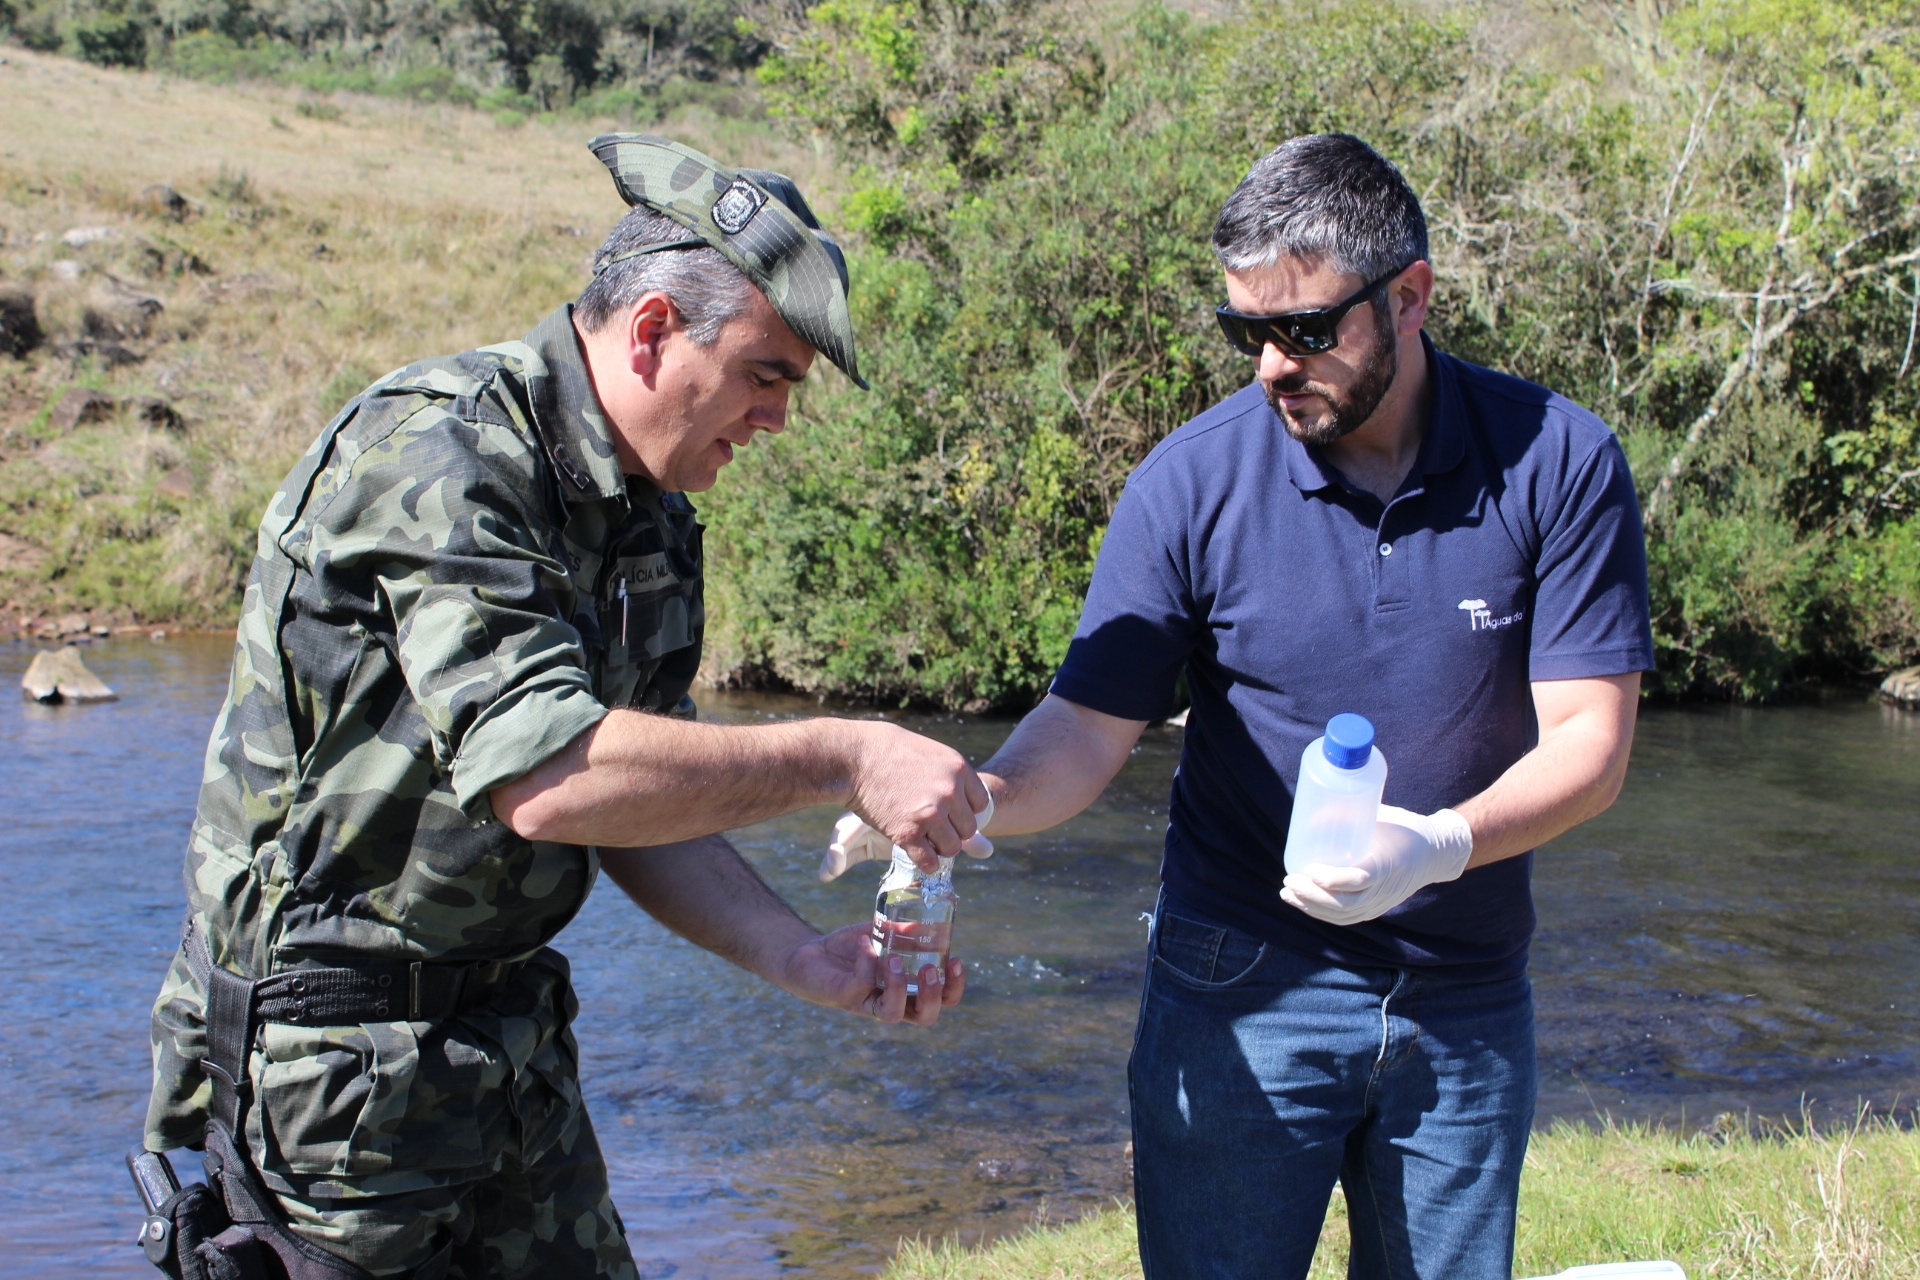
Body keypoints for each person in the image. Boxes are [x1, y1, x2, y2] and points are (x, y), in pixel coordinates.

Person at [141, 134, 987, 1280]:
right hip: (325, 1077)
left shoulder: (649, 510)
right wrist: (846, 753)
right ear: (649, 331)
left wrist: (801, 954)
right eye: (765, 374)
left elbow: (631, 791)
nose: (779, 418)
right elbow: (550, 775)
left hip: (505, 1044)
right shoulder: (441, 452)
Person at [828, 133, 1654, 1278]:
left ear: (1409, 296)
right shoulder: (1191, 481)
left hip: (1465, 994)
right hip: (1239, 984)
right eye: (1245, 332)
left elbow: (1592, 742)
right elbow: (1080, 734)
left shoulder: (1557, 461)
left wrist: (1441, 842)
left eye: (1307, 330)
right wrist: (964, 803)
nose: (1271, 363)